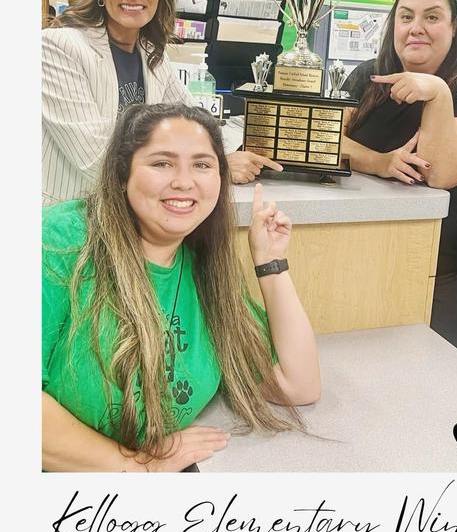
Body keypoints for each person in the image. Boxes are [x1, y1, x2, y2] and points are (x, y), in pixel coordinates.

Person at [42, 103, 321, 472]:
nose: (184, 182)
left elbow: (298, 385)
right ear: (122, 173)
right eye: (161, 163)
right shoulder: (60, 240)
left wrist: (270, 264)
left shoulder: (206, 268)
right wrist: (139, 467)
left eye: (202, 165)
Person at [42, 0, 281, 205]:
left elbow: (196, 122)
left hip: (132, 220)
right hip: (67, 224)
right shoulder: (57, 47)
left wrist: (231, 152)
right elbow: (94, 159)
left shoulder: (152, 56)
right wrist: (216, 168)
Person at [342, 0, 457, 351]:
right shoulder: (369, 77)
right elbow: (325, 141)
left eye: (432, 17)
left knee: (426, 382)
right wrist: (379, 162)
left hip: (444, 271)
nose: (416, 27)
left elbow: (442, 173)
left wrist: (437, 94)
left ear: (454, 27)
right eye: (406, 16)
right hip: (365, 256)